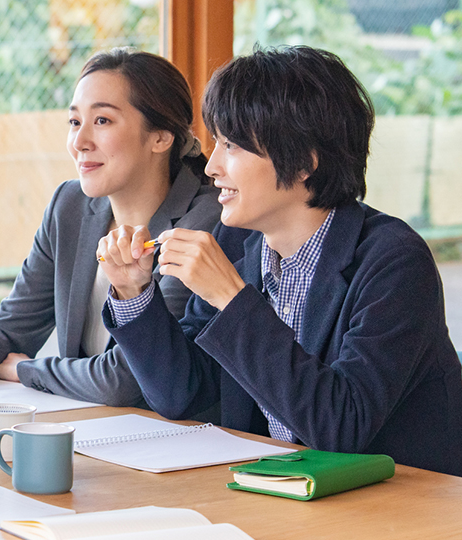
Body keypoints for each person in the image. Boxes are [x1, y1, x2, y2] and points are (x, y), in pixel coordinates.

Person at [98, 46, 462, 476]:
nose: (212, 166)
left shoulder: (395, 263)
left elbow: (341, 428)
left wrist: (231, 299)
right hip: (279, 493)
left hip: (404, 506)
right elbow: (183, 394)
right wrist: (134, 291)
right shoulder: (236, 241)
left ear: (305, 161)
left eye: (231, 146)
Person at [0, 49, 221, 406]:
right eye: (75, 122)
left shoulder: (204, 222)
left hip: (178, 444)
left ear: (161, 137)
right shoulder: (70, 205)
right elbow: (14, 327)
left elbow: (127, 379)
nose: (79, 143)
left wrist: (28, 371)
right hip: (88, 427)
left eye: (103, 121)